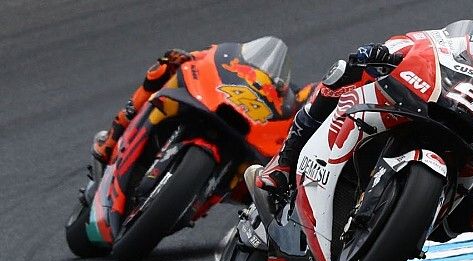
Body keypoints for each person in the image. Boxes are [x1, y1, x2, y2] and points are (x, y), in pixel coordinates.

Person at [255, 16, 473, 239]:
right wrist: (386, 52)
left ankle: (408, 226)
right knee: (345, 72)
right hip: (436, 109)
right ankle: (284, 160)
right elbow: (428, 43)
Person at [90, 46, 316, 169]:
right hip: (222, 107)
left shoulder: (302, 98)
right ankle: (111, 139)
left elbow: (309, 105)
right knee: (167, 66)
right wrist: (194, 58)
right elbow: (216, 57)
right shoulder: (258, 75)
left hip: (256, 147)